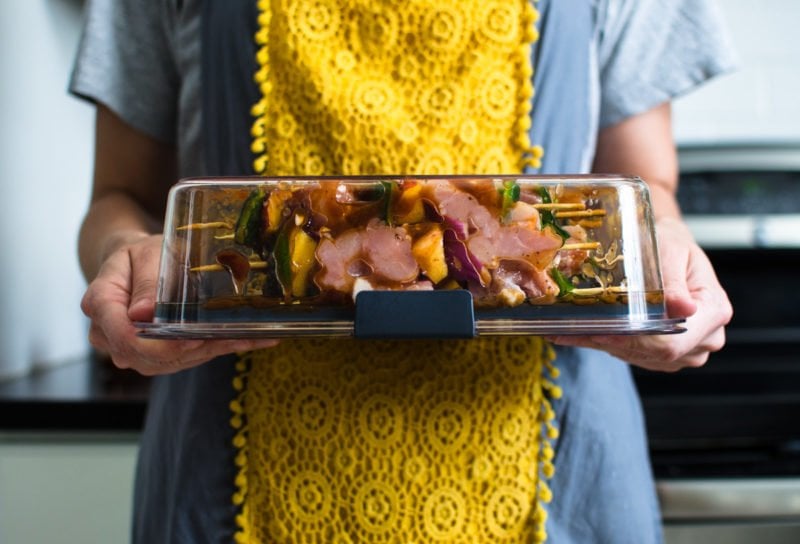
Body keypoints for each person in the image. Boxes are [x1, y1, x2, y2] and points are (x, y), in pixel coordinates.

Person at [72, 0, 734, 542]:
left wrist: (669, 249)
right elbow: (118, 198)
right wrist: (122, 252)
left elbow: (646, 188)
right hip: (228, 475)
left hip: (558, 471)